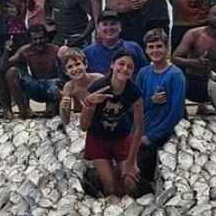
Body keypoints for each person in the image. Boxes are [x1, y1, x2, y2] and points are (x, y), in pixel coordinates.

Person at [81, 49, 144, 197]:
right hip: (98, 138)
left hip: (121, 138)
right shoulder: (97, 87)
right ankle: (101, 177)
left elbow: (139, 127)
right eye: (121, 64)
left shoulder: (135, 92)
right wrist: (88, 103)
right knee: (110, 188)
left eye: (130, 66)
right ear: (112, 65)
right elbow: (83, 126)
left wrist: (131, 162)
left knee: (131, 183)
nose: (124, 69)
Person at [136, 29, 186, 184]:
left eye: (159, 46)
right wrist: (151, 100)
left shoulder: (176, 75)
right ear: (145, 50)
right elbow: (134, 106)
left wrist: (150, 138)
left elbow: (176, 113)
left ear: (167, 48)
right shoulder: (143, 72)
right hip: (140, 129)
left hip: (160, 133)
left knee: (144, 175)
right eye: (151, 47)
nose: (155, 50)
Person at [5, 23, 62, 119]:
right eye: (35, 39)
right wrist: (6, 51)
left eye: (41, 38)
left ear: (46, 38)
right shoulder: (25, 51)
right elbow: (4, 67)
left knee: (61, 84)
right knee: (12, 72)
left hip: (53, 86)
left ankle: (54, 110)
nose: (38, 42)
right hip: (35, 85)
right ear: (30, 40)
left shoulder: (55, 50)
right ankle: (23, 111)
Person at [83, 10, 147, 76]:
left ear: (120, 27)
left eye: (113, 24)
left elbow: (145, 74)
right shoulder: (87, 53)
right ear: (98, 29)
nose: (109, 27)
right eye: (105, 24)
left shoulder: (134, 48)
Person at [59, 48, 104, 125]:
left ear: (85, 64)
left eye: (77, 64)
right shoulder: (69, 87)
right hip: (86, 123)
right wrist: (62, 108)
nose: (75, 69)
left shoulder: (99, 79)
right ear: (65, 71)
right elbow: (65, 121)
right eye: (70, 67)